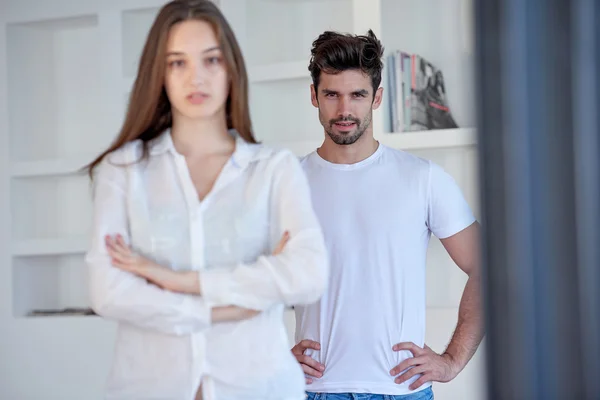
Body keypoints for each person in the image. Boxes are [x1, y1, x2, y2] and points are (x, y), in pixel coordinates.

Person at [84, 1, 328, 399]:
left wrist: (173, 280)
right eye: (177, 63)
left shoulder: (273, 169)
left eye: (211, 60)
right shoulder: (124, 170)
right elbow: (108, 291)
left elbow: (308, 274)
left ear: (231, 68)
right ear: (158, 74)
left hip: (260, 387)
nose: (196, 77)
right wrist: (230, 305)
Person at [291, 30, 484, 400]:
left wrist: (452, 360)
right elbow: (243, 278)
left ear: (377, 98)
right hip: (313, 390)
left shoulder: (422, 178)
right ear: (314, 96)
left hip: (402, 391)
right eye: (332, 94)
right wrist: (269, 356)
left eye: (357, 95)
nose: (344, 110)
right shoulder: (287, 183)